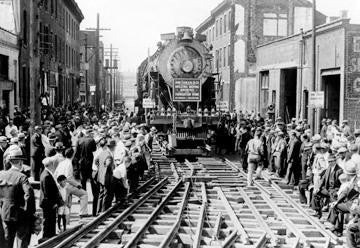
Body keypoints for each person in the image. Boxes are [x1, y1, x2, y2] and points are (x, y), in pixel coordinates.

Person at [0, 148, 35, 248]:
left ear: (10, 161)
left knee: (7, 240)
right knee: (21, 240)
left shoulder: (1, 175)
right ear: (20, 162)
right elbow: (28, 195)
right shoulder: (22, 177)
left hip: (5, 213)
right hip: (20, 215)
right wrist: (29, 212)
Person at [55, 148, 89, 218]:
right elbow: (68, 178)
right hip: (67, 185)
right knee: (84, 194)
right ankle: (83, 213)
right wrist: (78, 185)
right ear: (73, 155)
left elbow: (55, 174)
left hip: (60, 185)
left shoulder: (61, 163)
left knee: (67, 202)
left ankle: (66, 218)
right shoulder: (69, 163)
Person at [40, 156, 64, 241]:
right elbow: (47, 192)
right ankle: (47, 237)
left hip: (48, 202)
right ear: (50, 165)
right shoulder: (46, 175)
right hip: (48, 203)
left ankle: (50, 236)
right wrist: (53, 203)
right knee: (48, 220)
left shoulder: (46, 173)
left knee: (51, 220)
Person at [311, 154, 343, 218]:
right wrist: (318, 188)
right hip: (327, 189)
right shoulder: (328, 168)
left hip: (334, 190)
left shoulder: (339, 170)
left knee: (333, 202)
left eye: (331, 161)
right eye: (329, 161)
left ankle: (331, 219)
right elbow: (323, 179)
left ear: (335, 161)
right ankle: (317, 211)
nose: (330, 163)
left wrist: (337, 192)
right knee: (315, 193)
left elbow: (341, 184)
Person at [96, 139, 116, 213]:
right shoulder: (108, 154)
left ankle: (99, 210)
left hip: (100, 176)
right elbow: (108, 164)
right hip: (106, 177)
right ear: (113, 147)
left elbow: (96, 161)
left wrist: (100, 167)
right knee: (106, 193)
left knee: (101, 194)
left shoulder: (102, 153)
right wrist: (109, 167)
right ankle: (104, 211)